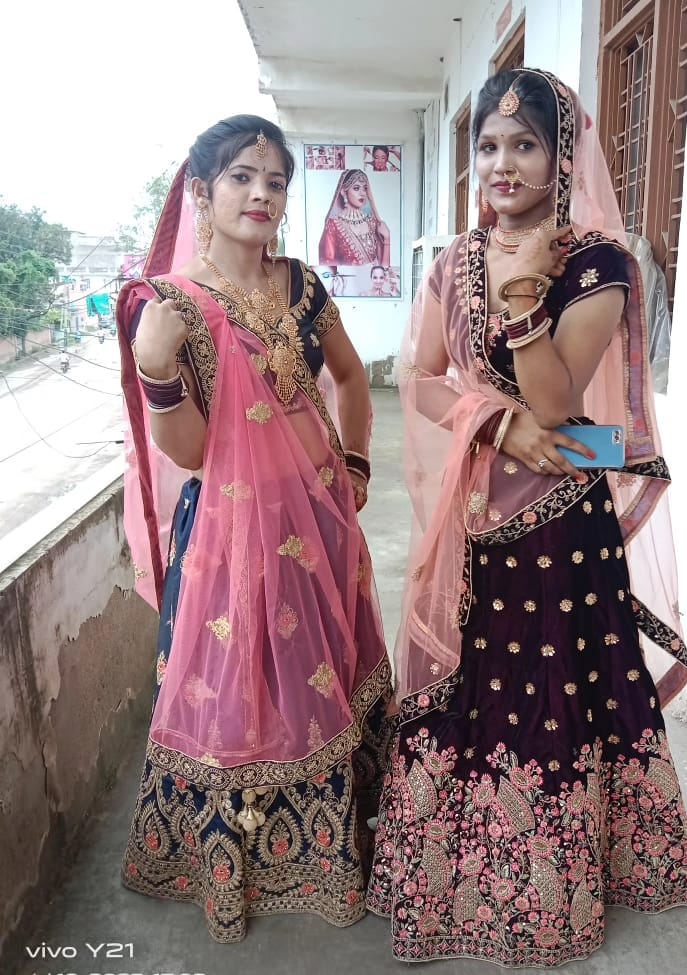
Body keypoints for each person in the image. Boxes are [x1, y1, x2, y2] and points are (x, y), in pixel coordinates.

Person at [367, 68, 687, 967]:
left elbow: (559, 404)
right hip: (474, 515)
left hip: (561, 523)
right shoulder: (453, 261)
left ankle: (558, 869)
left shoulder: (597, 261)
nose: (502, 164)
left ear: (562, 158)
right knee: (473, 682)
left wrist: (523, 301)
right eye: (488, 146)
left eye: (524, 144)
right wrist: (497, 424)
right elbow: (419, 377)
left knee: (560, 687)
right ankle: (459, 858)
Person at [116, 115, 394, 944]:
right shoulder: (172, 306)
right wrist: (157, 371)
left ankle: (328, 841)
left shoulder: (302, 286)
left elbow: (350, 376)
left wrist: (355, 464)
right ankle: (240, 859)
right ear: (202, 192)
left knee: (321, 679)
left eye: (276, 181)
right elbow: (191, 451)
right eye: (242, 177)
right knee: (241, 692)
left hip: (321, 520)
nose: (262, 194)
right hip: (230, 535)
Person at [319, 169, 391, 266]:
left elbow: (384, 268)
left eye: (365, 188)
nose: (363, 193)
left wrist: (387, 239)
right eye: (356, 188)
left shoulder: (372, 222)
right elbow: (327, 265)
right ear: (343, 192)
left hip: (374, 276)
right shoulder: (333, 225)